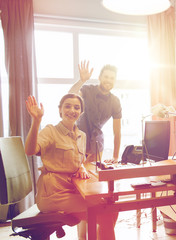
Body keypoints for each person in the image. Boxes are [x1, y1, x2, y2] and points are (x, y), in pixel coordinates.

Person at [24, 94, 118, 240]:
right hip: (53, 194)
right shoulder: (50, 131)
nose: (72, 110)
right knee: (105, 214)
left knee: (111, 208)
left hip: (72, 190)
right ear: (60, 110)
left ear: (80, 113)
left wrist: (81, 167)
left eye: (76, 107)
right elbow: (30, 150)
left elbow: (77, 160)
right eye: (67, 106)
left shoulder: (82, 135)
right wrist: (36, 121)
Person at [69, 60, 122, 163]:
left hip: (97, 147)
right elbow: (70, 95)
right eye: (106, 77)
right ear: (99, 77)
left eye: (112, 78)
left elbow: (117, 132)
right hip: (77, 143)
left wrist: (115, 157)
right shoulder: (87, 90)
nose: (109, 80)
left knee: (94, 177)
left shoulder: (115, 101)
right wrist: (81, 81)